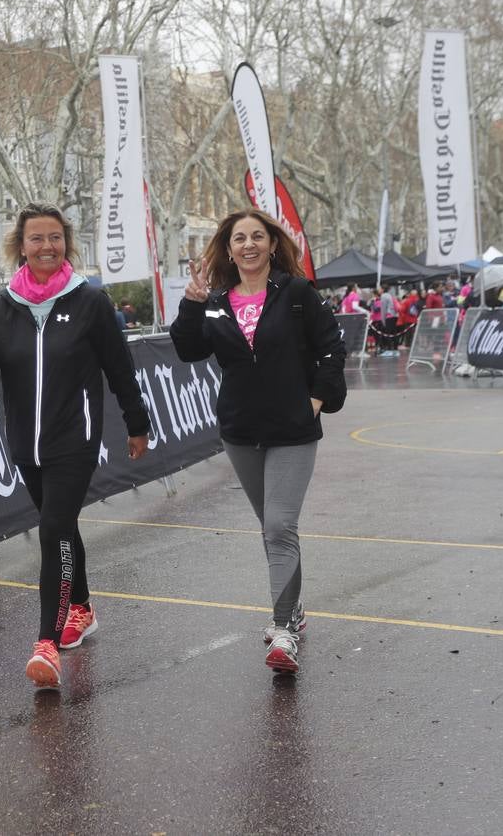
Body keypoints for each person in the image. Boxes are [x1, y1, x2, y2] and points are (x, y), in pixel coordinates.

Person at [0, 202, 151, 690]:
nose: (47, 247)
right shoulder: (4, 307)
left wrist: (137, 421)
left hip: (75, 439)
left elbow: (119, 367)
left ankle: (46, 642)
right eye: (36, 239)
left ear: (67, 242)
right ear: (20, 247)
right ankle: (82, 607)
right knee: (61, 528)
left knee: (53, 531)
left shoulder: (89, 302)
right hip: (26, 442)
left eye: (55, 238)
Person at [168, 208, 346, 674]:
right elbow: (189, 349)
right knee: (272, 527)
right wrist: (190, 302)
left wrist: (317, 399)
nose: (248, 245)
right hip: (240, 431)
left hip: (292, 430)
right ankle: (295, 608)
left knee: (279, 526)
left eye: (257, 237)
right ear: (228, 249)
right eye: (239, 238)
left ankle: (283, 628)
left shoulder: (297, 293)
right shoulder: (216, 300)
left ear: (271, 244)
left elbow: (332, 346)